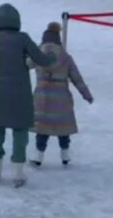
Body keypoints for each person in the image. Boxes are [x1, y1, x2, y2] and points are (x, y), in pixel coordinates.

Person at [0, 4, 56, 187]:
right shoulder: (23, 39)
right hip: (20, 92)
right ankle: (17, 174)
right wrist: (52, 57)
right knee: (20, 130)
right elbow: (41, 59)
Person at [30, 21, 93, 168]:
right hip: (61, 97)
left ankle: (38, 156)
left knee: (42, 128)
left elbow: (25, 64)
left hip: (42, 96)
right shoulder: (65, 57)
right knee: (63, 127)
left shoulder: (38, 53)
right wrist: (87, 95)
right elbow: (77, 78)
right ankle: (65, 155)